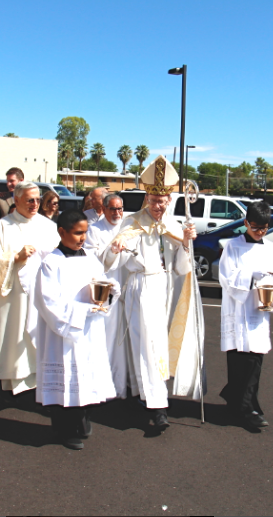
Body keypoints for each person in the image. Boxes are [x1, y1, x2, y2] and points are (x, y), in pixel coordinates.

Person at [102, 156, 200, 431]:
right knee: (148, 346)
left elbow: (182, 267)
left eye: (164, 201)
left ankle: (142, 394)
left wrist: (185, 244)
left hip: (164, 289)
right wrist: (116, 246)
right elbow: (112, 260)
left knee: (151, 345)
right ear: (147, 197)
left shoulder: (173, 224)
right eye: (155, 201)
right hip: (139, 288)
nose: (160, 206)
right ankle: (158, 407)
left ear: (170, 199)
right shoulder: (131, 222)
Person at [34, 209, 121, 450]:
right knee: (66, 378)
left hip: (88, 330)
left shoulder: (89, 258)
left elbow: (100, 281)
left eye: (85, 233)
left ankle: (82, 419)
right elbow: (47, 301)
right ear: (62, 232)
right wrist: (82, 310)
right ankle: (63, 430)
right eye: (77, 233)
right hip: (63, 332)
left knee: (84, 378)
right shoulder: (51, 262)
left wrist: (109, 289)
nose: (82, 238)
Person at [0, 181, 59, 399]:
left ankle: (40, 385)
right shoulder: (2, 227)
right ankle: (9, 380)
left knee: (38, 341)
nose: (35, 204)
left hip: (40, 294)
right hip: (13, 297)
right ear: (16, 200)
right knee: (13, 338)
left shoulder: (49, 227)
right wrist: (16, 257)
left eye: (37, 200)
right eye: (29, 200)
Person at [218, 201, 273, 429]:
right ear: (246, 223)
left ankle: (247, 406)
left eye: (265, 228)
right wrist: (251, 278)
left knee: (254, 361)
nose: (260, 232)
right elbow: (226, 277)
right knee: (238, 361)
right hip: (238, 311)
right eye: (256, 227)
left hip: (259, 313)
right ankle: (241, 405)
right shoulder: (232, 246)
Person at [84, 193, 129, 399]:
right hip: (106, 290)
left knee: (122, 340)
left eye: (120, 209)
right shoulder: (94, 230)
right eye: (113, 209)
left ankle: (120, 384)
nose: (117, 213)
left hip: (127, 288)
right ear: (104, 208)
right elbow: (91, 259)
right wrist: (111, 251)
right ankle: (100, 385)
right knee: (105, 338)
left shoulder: (127, 228)